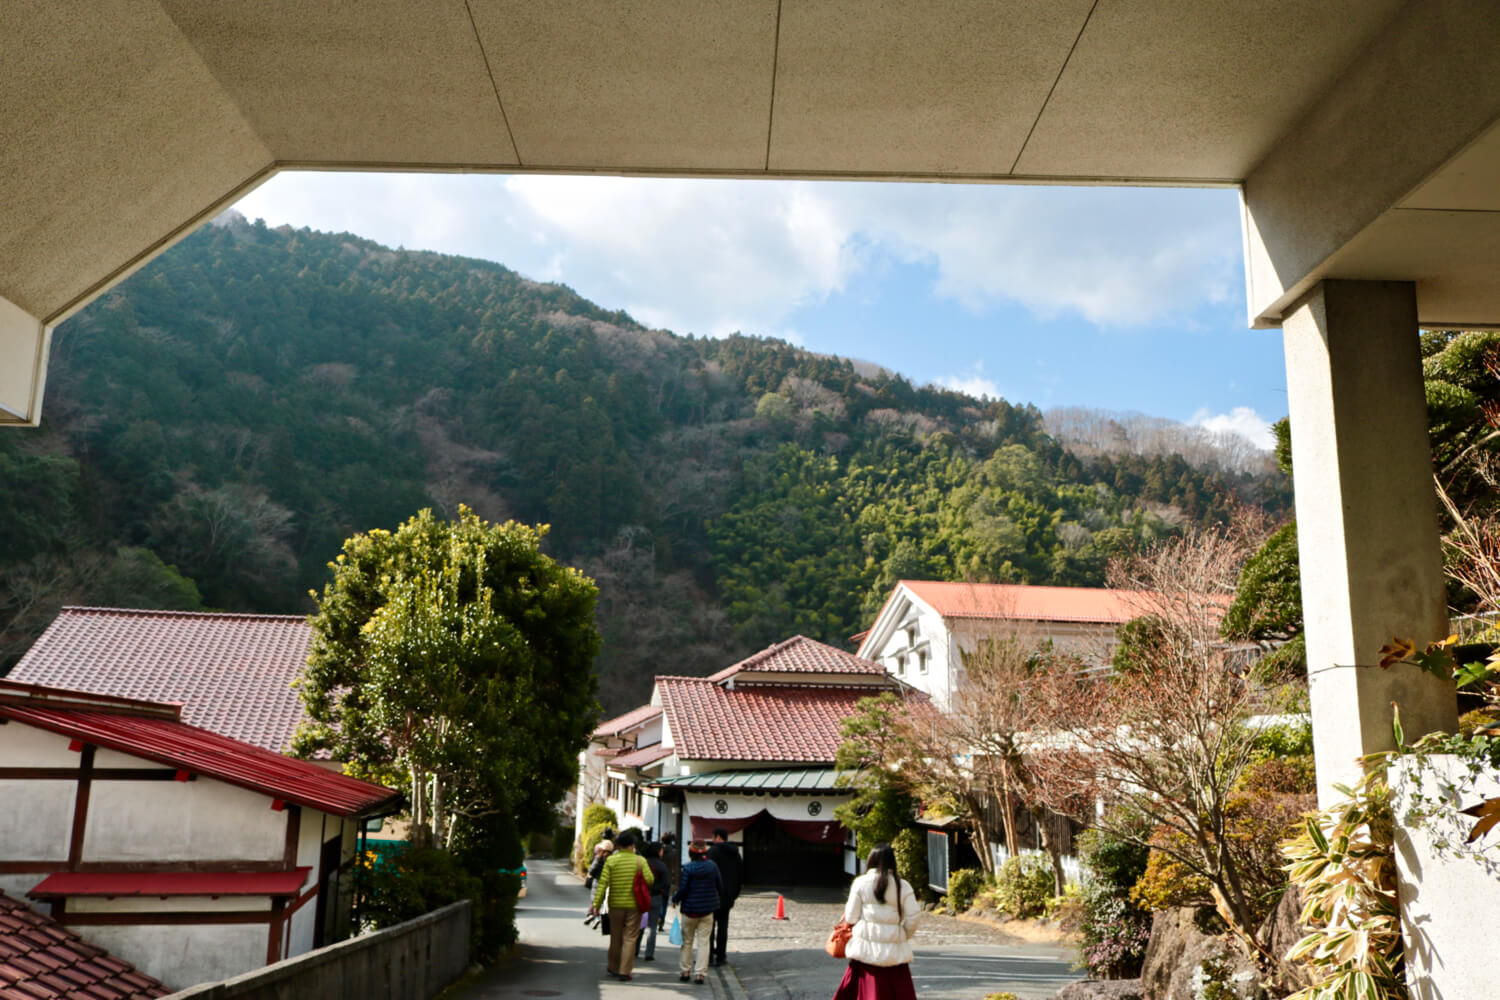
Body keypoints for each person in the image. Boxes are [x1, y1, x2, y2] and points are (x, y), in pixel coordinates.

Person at [831, 844, 921, 1000]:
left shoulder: (860, 883)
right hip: (895, 955)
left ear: (871, 860)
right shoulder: (903, 885)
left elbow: (851, 916)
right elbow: (914, 917)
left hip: (865, 953)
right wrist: (902, 934)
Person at [589, 830, 653, 981]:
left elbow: (603, 884)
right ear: (632, 845)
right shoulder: (640, 861)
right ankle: (625, 971)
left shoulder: (611, 860)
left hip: (615, 904)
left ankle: (613, 966)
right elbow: (650, 880)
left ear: (618, 845)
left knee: (616, 937)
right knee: (630, 938)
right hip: (635, 905)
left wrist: (596, 904)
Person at [672, 839, 723, 984]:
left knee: (687, 942)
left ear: (690, 853)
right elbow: (720, 886)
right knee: (704, 942)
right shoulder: (713, 867)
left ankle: (685, 971)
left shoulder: (687, 868)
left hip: (689, 910)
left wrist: (675, 899)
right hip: (707, 910)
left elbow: (683, 889)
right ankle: (700, 973)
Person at [706, 828, 742, 966]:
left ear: (718, 837)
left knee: (709, 927)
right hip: (728, 896)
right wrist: (734, 894)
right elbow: (740, 875)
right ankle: (721, 956)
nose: (713, 840)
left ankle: (708, 956)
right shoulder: (735, 853)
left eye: (714, 837)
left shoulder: (712, 852)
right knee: (723, 927)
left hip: (712, 895)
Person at [637, 842, 671, 962]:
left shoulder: (642, 862)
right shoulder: (661, 866)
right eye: (661, 850)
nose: (662, 852)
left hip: (641, 896)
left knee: (639, 923)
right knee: (652, 926)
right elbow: (666, 884)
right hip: (656, 897)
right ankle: (649, 953)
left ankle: (635, 949)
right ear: (658, 851)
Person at [659, 831, 682, 928]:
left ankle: (657, 917)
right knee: (664, 901)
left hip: (657, 878)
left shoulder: (659, 851)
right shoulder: (674, 852)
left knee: (657, 900)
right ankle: (661, 922)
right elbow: (675, 868)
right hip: (668, 878)